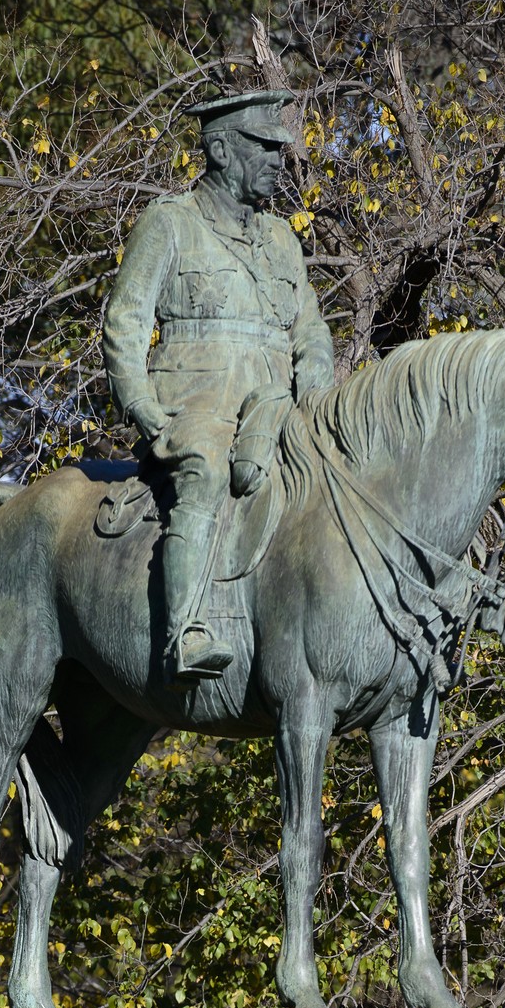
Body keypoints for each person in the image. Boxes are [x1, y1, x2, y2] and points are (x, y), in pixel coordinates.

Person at [102, 89, 334, 681]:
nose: (279, 160)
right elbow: (126, 322)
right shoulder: (170, 223)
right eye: (264, 147)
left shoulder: (283, 239)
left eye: (280, 149)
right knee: (204, 471)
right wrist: (143, 407)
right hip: (195, 406)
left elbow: (311, 333)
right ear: (222, 149)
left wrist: (319, 397)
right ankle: (186, 630)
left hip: (274, 407)